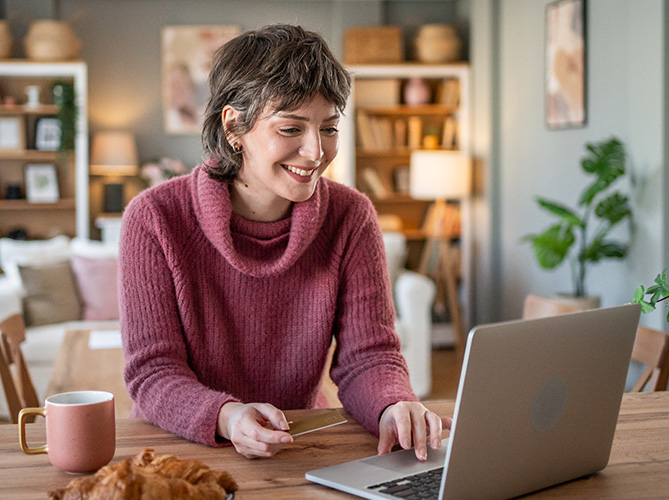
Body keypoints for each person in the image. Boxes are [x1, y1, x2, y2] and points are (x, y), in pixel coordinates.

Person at [119, 24, 450, 460]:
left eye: (328, 128)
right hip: (184, 448)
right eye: (291, 129)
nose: (316, 152)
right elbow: (153, 372)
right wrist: (227, 415)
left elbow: (369, 356)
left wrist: (392, 404)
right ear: (234, 125)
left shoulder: (351, 217)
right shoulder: (154, 218)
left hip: (298, 443)